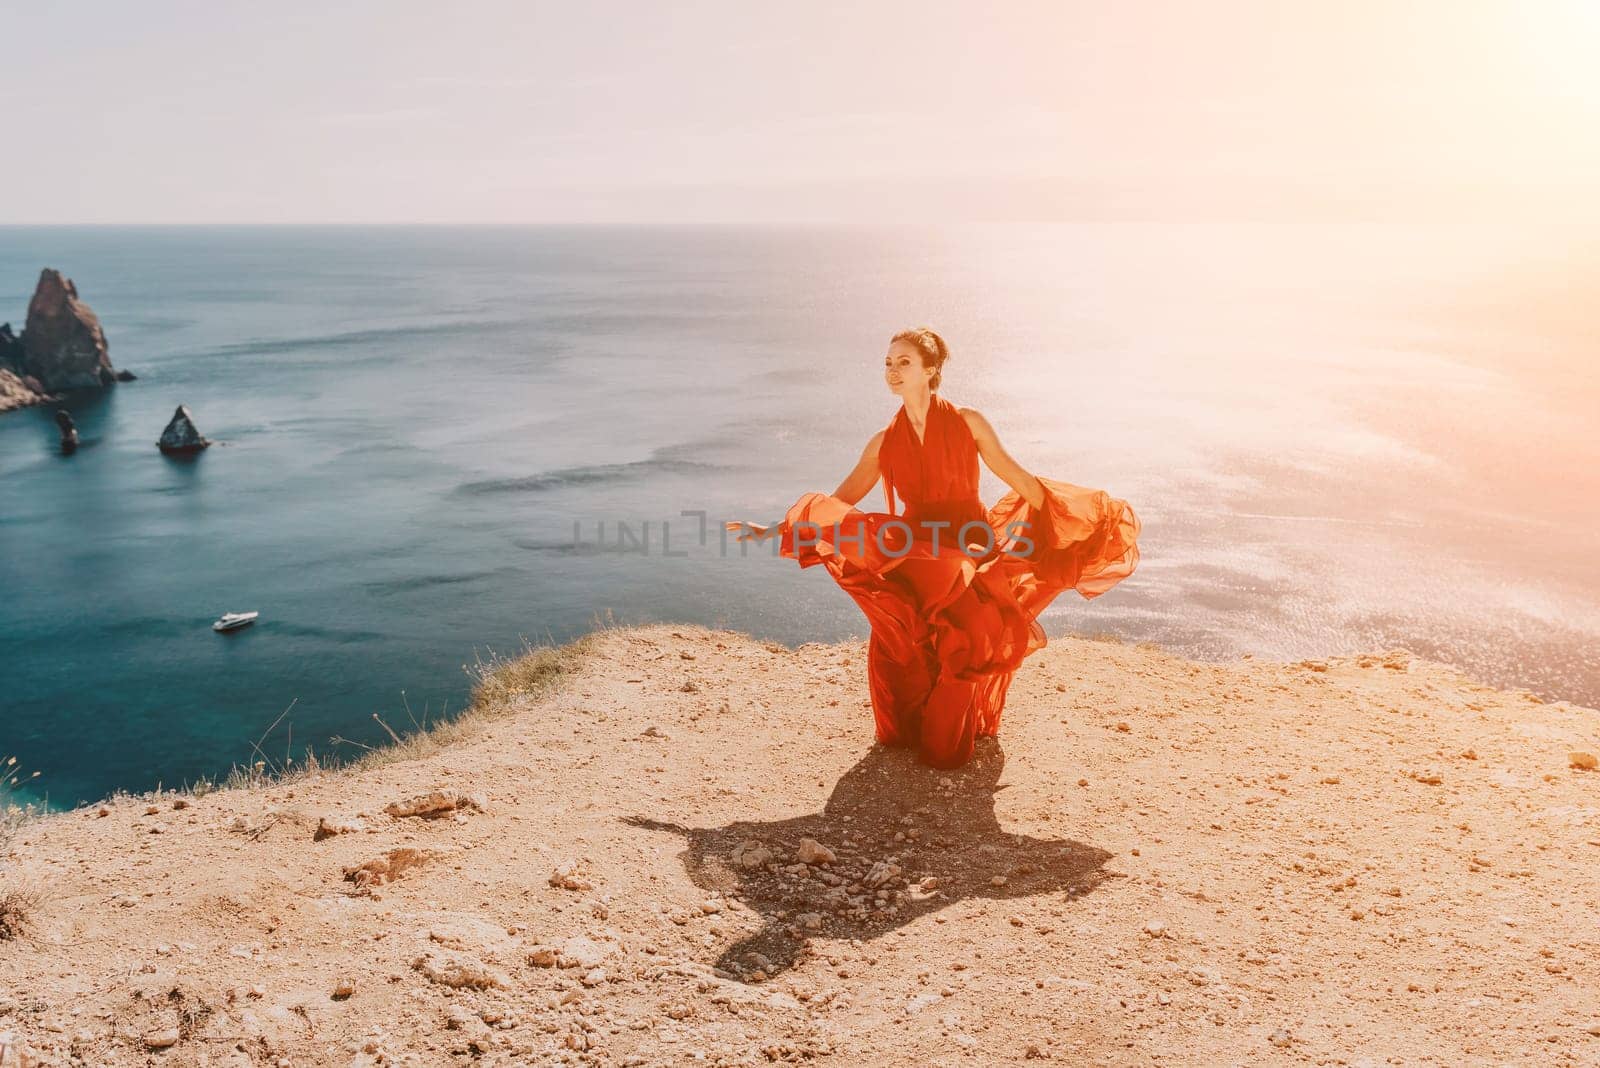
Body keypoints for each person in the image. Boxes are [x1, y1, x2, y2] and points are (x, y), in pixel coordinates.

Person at [727, 327, 1141, 770]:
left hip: (968, 544)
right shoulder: (884, 442)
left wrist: (1065, 522)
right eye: (888, 363)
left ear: (931, 369)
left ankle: (946, 744)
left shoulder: (968, 422)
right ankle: (912, 731)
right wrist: (773, 528)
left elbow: (1015, 476)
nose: (893, 371)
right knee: (905, 643)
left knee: (968, 640)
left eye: (904, 362)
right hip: (916, 551)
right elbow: (841, 500)